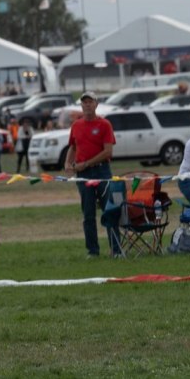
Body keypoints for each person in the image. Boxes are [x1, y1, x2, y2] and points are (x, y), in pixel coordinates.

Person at [63, 92, 117, 258]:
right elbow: (73, 147)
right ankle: (93, 251)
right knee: (88, 214)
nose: (87, 105)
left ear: (96, 104)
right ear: (81, 105)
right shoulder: (76, 125)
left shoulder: (104, 124)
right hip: (83, 174)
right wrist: (67, 163)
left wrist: (86, 163)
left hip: (102, 171)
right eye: (84, 102)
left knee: (109, 210)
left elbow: (108, 151)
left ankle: (116, 249)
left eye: (90, 102)